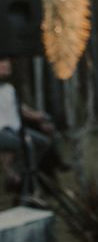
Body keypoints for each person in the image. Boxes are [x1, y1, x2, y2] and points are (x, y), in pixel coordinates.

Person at [0, 57, 69, 196]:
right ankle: (13, 176)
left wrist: (39, 116)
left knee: (42, 142)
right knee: (20, 145)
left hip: (17, 130)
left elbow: (21, 109)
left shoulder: (9, 88)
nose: (6, 68)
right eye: (3, 66)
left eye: (7, 66)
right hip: (3, 131)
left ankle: (25, 174)